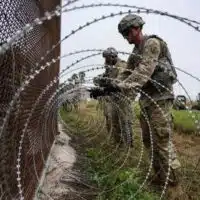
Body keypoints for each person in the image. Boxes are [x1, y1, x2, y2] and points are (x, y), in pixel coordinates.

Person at [117, 14, 182, 198]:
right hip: (146, 99)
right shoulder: (135, 52)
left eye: (127, 32)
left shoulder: (151, 43)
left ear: (136, 28)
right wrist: (111, 87)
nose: (126, 37)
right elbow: (126, 73)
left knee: (161, 139)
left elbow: (145, 70)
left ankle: (174, 183)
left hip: (161, 97)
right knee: (148, 139)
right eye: (123, 34)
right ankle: (161, 176)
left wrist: (121, 86)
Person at [93, 47, 133, 146]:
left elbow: (120, 80)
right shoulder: (110, 68)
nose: (105, 60)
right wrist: (100, 81)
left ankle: (128, 145)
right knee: (114, 121)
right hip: (114, 98)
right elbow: (106, 79)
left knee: (125, 122)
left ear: (112, 57)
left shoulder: (121, 65)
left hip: (122, 98)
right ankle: (118, 144)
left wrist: (109, 85)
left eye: (107, 58)